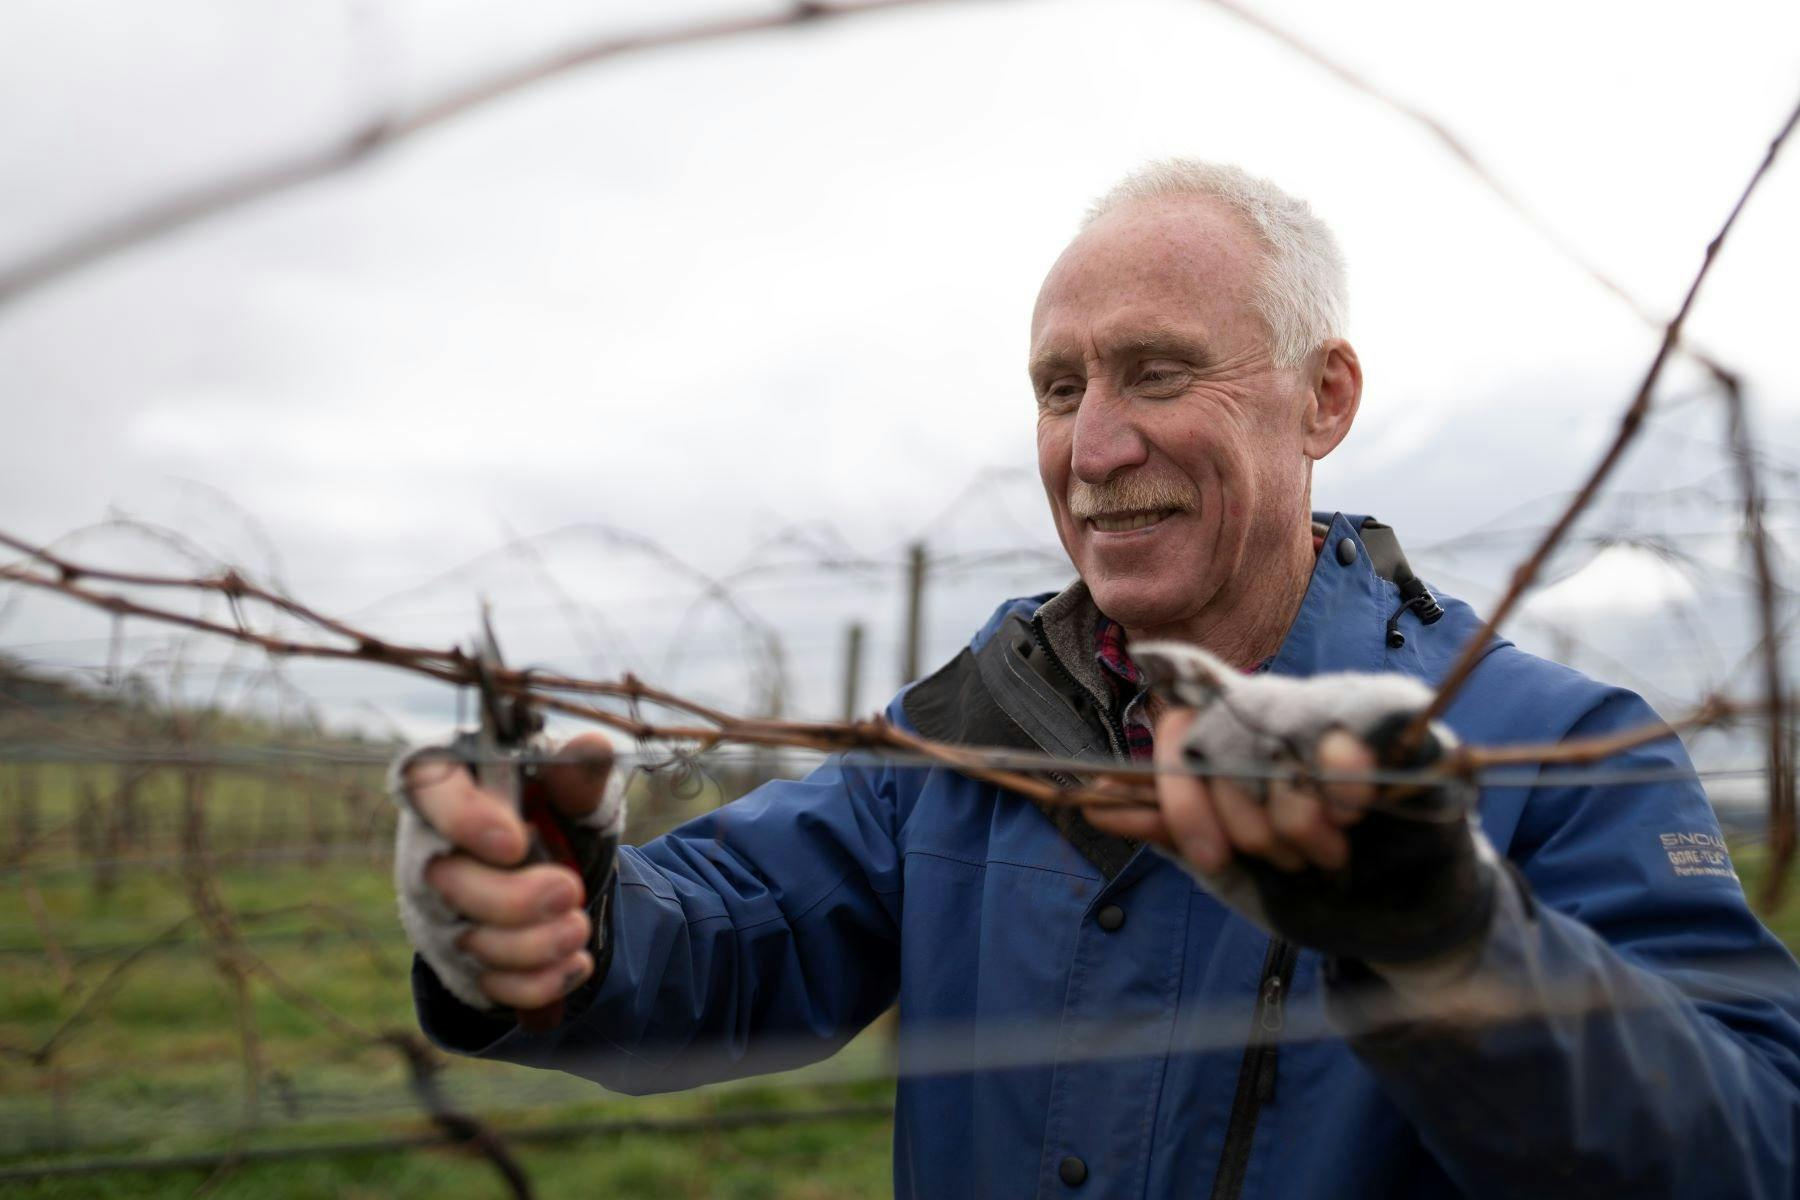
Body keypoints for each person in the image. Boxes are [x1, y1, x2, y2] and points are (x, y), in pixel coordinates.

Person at [391, 161, 1800, 1198]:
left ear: (1326, 399)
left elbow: (1751, 1147)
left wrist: (1450, 942)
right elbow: (738, 935)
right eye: (1060, 389)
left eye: (1156, 373)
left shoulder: (1550, 755)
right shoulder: (976, 727)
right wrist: (566, 916)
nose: (1096, 445)